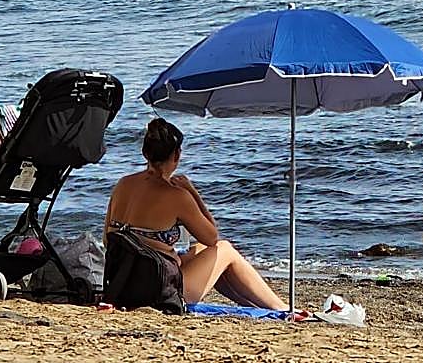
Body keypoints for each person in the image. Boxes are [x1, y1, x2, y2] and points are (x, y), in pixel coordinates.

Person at [105, 118, 289, 310]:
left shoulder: (123, 184)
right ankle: (282, 308)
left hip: (121, 284)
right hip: (158, 292)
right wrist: (192, 192)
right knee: (224, 249)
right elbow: (212, 236)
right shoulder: (177, 195)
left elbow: (108, 239)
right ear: (177, 155)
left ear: (145, 153)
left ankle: (259, 305)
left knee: (200, 249)